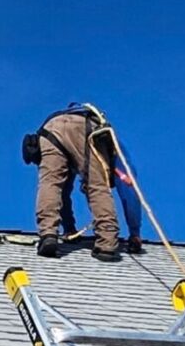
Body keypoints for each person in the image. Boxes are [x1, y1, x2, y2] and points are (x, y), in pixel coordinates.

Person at [28, 102, 135, 262]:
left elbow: (61, 193)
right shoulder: (115, 154)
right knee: (97, 186)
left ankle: (48, 234)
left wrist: (68, 230)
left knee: (50, 183)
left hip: (51, 129)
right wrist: (135, 233)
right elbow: (126, 193)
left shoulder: (116, 157)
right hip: (85, 127)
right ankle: (106, 244)